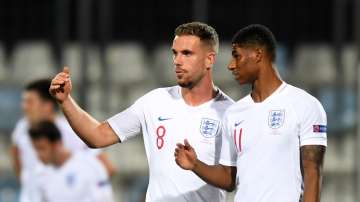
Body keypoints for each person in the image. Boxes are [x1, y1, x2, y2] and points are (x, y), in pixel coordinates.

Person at [49, 22, 234, 202]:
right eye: (174, 53)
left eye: (187, 53)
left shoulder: (230, 113)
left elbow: (229, 180)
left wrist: (196, 166)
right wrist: (65, 101)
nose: (177, 61)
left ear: (209, 59)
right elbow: (97, 136)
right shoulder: (155, 101)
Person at [174, 24, 327, 202]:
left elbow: (313, 172)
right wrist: (195, 165)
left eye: (237, 56)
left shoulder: (304, 105)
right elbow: (229, 177)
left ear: (258, 55)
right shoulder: (234, 113)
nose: (231, 66)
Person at [10, 79, 116, 202]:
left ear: (47, 106)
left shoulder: (71, 131)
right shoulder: (21, 128)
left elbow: (107, 168)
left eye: (30, 102)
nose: (24, 107)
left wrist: (69, 188)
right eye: (24, 102)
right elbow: (16, 156)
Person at [29, 120, 114, 202]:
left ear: (56, 144)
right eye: (36, 149)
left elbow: (104, 198)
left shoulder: (89, 165)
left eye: (42, 148)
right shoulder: (40, 174)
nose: (39, 154)